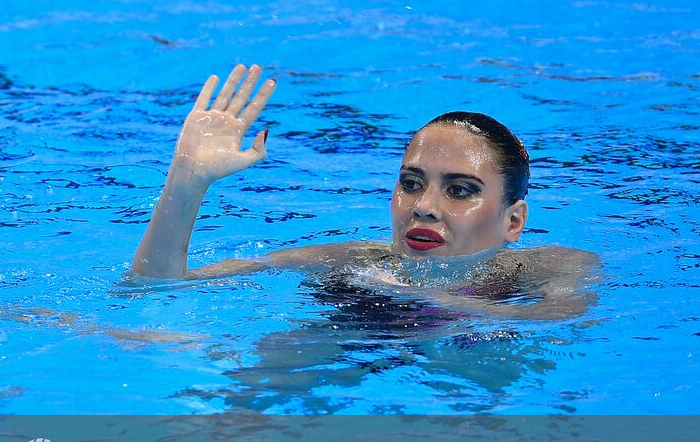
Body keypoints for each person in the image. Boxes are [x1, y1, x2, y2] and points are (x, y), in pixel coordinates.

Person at [130, 65, 597, 320]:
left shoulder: (552, 269)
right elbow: (159, 288)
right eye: (411, 184)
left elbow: (560, 319)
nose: (425, 208)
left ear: (514, 220)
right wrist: (187, 184)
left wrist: (425, 300)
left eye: (460, 190)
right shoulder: (351, 265)